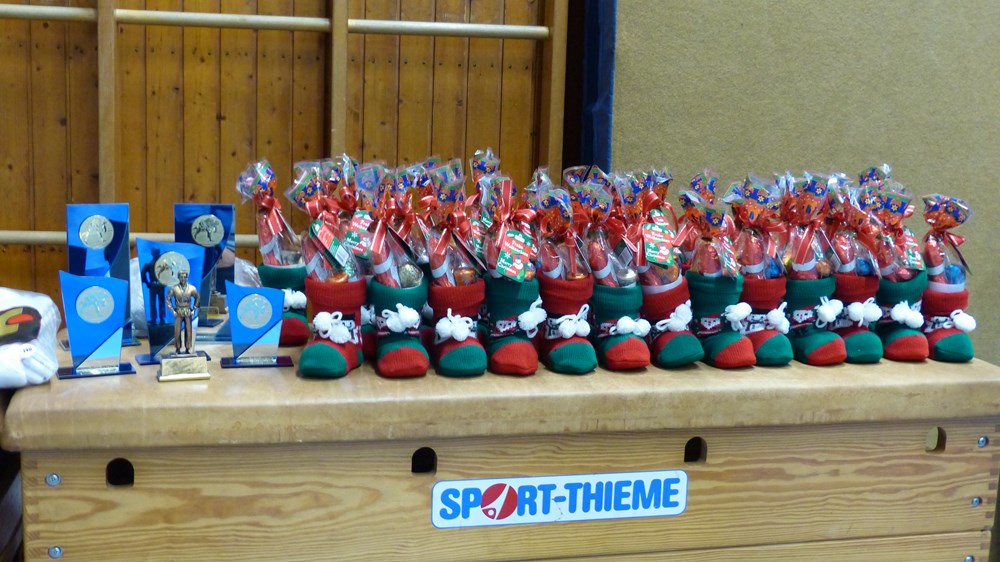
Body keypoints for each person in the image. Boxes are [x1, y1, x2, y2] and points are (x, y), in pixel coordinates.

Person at [167, 270, 200, 355]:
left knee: (188, 331)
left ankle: (188, 348)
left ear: (187, 277)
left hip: (188, 311)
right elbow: (168, 298)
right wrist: (172, 310)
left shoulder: (192, 288)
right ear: (178, 278)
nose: (183, 279)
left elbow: (197, 297)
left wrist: (194, 309)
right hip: (178, 311)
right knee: (177, 331)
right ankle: (177, 348)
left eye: (185, 277)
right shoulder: (174, 288)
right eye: (181, 277)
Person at [141, 248, 166, 324]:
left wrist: (147, 283)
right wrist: (147, 283)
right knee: (156, 302)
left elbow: (142, 274)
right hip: (156, 285)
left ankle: (159, 319)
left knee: (157, 302)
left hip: (156, 285)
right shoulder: (150, 264)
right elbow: (142, 274)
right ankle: (158, 319)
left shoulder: (151, 264)